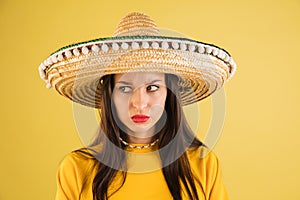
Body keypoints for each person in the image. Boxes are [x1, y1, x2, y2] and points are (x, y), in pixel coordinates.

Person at [38, 12, 236, 200]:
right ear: (110, 96)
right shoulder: (76, 169)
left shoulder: (204, 164)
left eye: (152, 87)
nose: (140, 103)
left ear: (169, 93)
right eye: (125, 88)